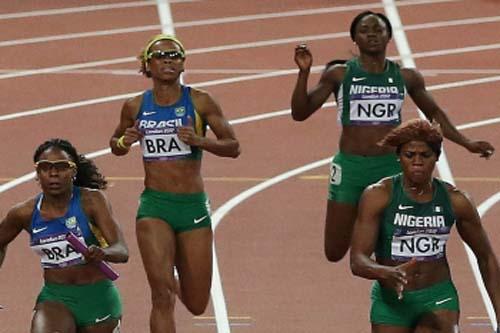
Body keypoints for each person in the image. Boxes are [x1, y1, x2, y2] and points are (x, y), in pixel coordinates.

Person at [291, 10, 495, 263]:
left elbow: (434, 113)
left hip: (390, 168)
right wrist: (303, 73)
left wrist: (466, 142)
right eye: (365, 30)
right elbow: (299, 113)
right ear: (354, 38)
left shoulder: (406, 77)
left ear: (389, 37)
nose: (372, 35)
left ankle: (388, 275)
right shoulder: (340, 75)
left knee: (391, 253)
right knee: (334, 252)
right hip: (351, 167)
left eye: (378, 30)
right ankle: (366, 223)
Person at [109, 34, 240, 332]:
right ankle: (164, 277)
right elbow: (115, 144)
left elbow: (233, 146)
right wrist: (123, 141)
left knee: (196, 303)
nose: (168, 60)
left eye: (174, 55)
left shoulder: (200, 101)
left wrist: (200, 141)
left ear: (182, 63)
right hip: (155, 206)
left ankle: (171, 274)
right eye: (160, 56)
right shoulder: (134, 106)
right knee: (161, 296)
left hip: (192, 205)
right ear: (147, 65)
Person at [349, 119, 500, 332]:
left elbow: (486, 258)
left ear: (437, 158)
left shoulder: (456, 201)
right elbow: (357, 260)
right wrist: (384, 272)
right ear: (399, 157)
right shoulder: (378, 196)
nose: (417, 162)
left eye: (425, 155)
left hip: (438, 297)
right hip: (392, 301)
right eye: (409, 155)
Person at [0, 138, 129, 333]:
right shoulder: (23, 213)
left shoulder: (92, 201)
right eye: (45, 167)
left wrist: (104, 253)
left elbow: (122, 250)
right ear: (38, 174)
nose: (53, 173)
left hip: (98, 297)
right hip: (56, 298)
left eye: (61, 167)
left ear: (73, 171)